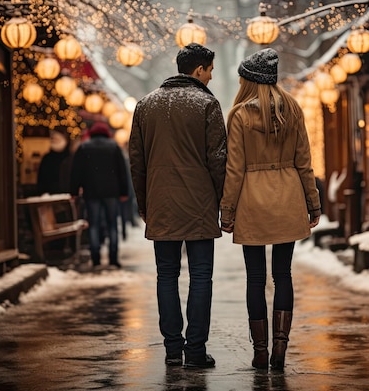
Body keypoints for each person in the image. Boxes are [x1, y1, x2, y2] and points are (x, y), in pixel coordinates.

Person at [219, 48, 321, 371]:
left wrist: (227, 210)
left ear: (250, 81)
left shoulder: (239, 116)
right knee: (283, 275)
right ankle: (281, 349)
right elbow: (304, 163)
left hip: (252, 203)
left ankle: (260, 351)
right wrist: (313, 202)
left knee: (255, 278)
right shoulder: (292, 109)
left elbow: (234, 169)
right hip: (288, 199)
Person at [129, 43, 227, 369]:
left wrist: (144, 204)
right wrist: (223, 201)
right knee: (201, 277)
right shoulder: (207, 105)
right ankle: (196, 350)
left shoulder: (145, 105)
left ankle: (172, 350)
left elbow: (137, 163)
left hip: (161, 203)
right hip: (199, 204)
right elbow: (218, 160)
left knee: (166, 277)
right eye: (210, 70)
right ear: (199, 70)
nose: (212, 77)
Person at [70, 121, 129, 268]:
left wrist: (74, 191)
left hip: (92, 191)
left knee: (94, 225)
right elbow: (123, 172)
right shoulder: (114, 147)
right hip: (111, 192)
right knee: (112, 225)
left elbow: (76, 172)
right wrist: (124, 191)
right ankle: (113, 258)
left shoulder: (84, 147)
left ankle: (95, 258)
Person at [36, 128, 70, 195]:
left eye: (56, 139)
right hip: (50, 196)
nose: (54, 141)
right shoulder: (47, 159)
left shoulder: (70, 158)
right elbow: (41, 180)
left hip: (67, 196)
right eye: (53, 139)